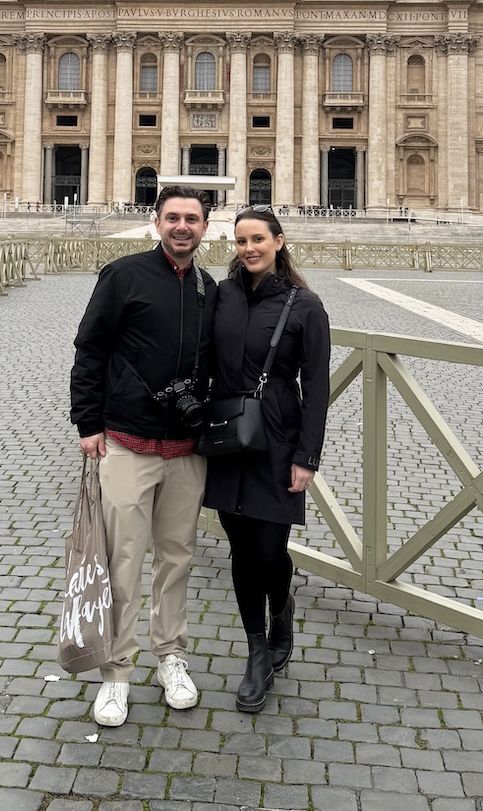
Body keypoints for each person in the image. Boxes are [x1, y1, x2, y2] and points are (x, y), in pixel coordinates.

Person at [69, 186, 218, 727]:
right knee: (123, 560)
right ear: (156, 222)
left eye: (192, 219)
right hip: (127, 441)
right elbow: (90, 348)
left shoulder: (210, 287)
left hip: (186, 450)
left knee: (176, 557)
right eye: (173, 218)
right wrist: (88, 422)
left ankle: (171, 655)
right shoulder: (123, 274)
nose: (182, 227)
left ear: (206, 227)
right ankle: (116, 670)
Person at [202, 207, 330, 712]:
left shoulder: (306, 306)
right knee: (240, 549)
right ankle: (257, 651)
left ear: (279, 241)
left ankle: (283, 606)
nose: (248, 248)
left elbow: (316, 387)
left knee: (269, 550)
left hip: (277, 437)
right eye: (240, 241)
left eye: (258, 239)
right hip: (228, 436)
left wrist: (307, 457)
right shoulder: (222, 295)